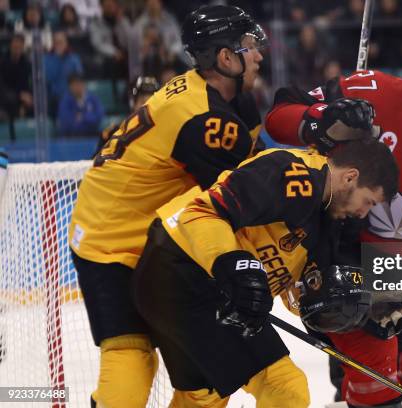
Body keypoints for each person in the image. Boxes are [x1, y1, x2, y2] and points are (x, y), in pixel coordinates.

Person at [266, 33, 402, 407]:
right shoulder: (370, 90)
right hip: (326, 251)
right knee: (376, 360)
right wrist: (324, 119)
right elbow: (277, 119)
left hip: (387, 263)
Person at [68, 5, 267, 407]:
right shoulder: (207, 119)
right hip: (112, 242)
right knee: (133, 357)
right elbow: (247, 196)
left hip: (144, 233)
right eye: (249, 46)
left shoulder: (222, 98)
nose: (259, 54)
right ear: (226, 59)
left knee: (205, 373)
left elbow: (256, 168)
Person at [132, 139, 399, 407]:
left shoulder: (328, 220)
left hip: (194, 281)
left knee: (203, 396)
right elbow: (201, 212)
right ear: (350, 178)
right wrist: (235, 266)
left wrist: (356, 312)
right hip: (182, 267)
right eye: (368, 201)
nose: (363, 213)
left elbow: (296, 293)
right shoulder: (292, 172)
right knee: (285, 390)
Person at [96, 76, 160, 153]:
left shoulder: (167, 136)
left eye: (151, 103)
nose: (146, 107)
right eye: (143, 102)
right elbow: (96, 162)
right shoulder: (113, 134)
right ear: (133, 103)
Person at [57, 72, 105, 137]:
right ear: (70, 87)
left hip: (92, 135)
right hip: (71, 138)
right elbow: (67, 124)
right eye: (75, 85)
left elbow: (99, 117)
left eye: (80, 84)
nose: (77, 87)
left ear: (84, 84)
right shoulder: (65, 101)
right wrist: (88, 121)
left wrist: (83, 117)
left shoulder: (93, 99)